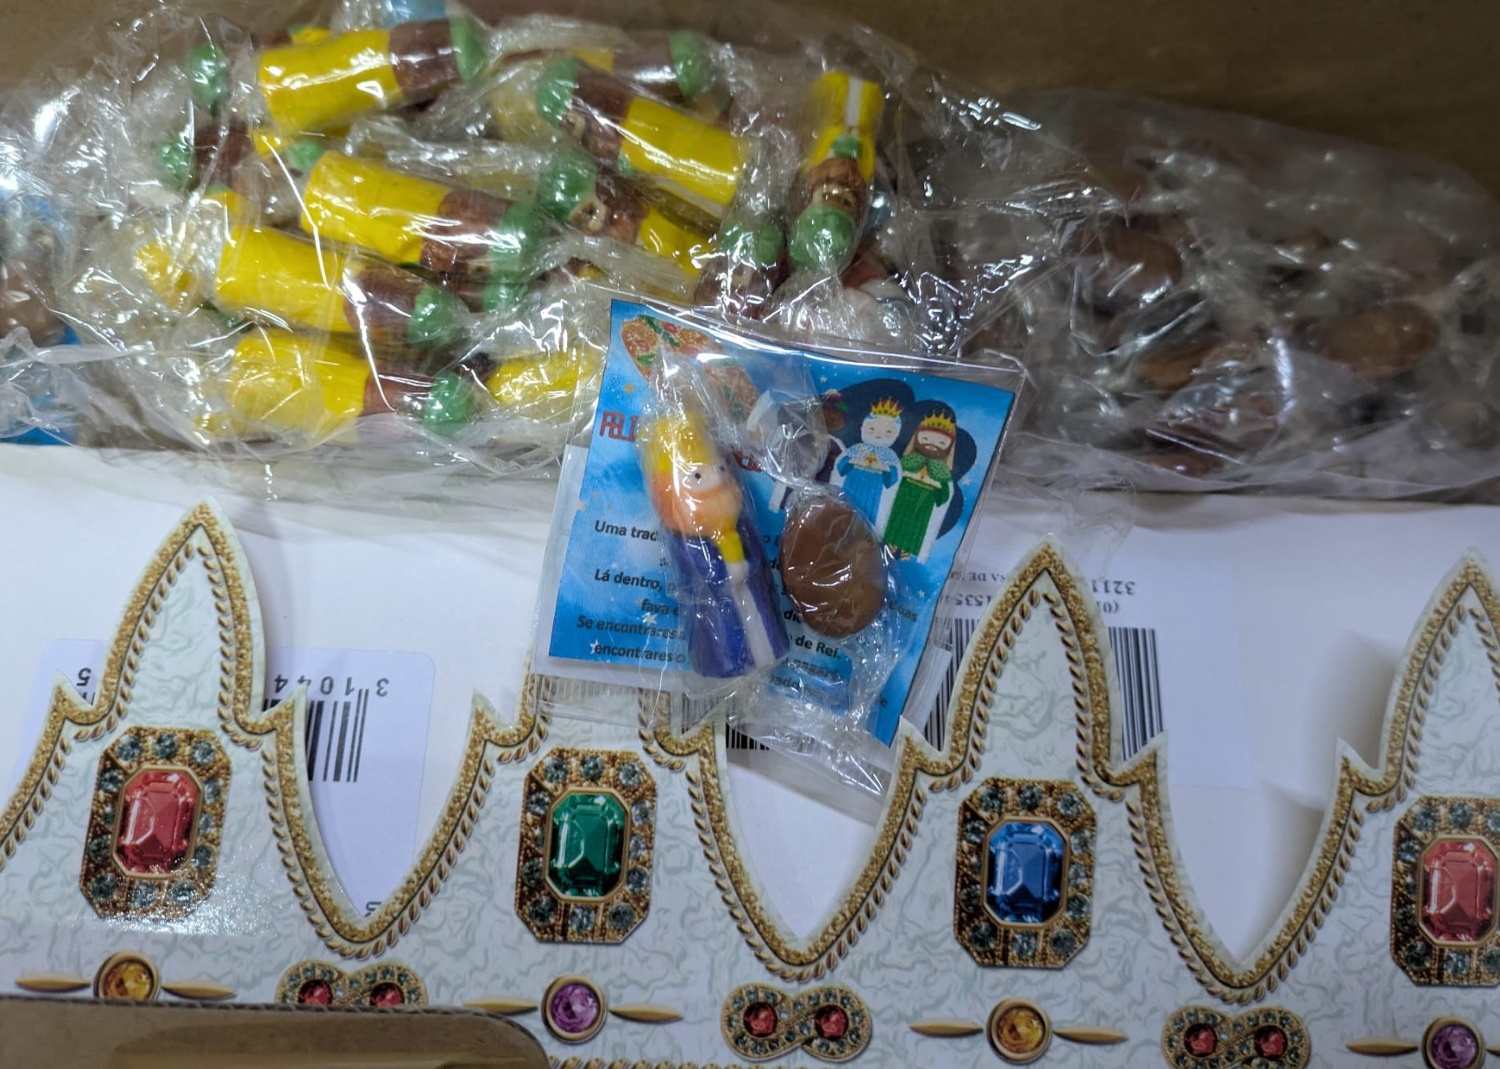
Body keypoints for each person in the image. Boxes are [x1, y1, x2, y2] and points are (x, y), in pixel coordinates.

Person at [640, 408, 788, 678]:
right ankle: (731, 664)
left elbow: (756, 557)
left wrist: (746, 563)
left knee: (763, 634)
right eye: (698, 476)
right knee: (726, 644)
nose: (717, 479)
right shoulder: (686, 540)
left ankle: (765, 654)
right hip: (719, 611)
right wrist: (729, 571)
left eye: (721, 469)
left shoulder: (738, 526)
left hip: (752, 598)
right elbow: (696, 574)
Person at [882, 412, 957, 561]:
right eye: (926, 439)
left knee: (916, 528)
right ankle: (889, 546)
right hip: (902, 498)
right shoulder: (907, 462)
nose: (931, 445)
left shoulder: (942, 472)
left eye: (941, 443)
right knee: (895, 522)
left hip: (924, 505)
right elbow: (894, 479)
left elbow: (944, 495)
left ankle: (906, 553)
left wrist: (937, 490)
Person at [832, 398, 902, 528]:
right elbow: (841, 467)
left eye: (887, 433)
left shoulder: (890, 456)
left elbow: (892, 479)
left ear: (895, 435)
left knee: (867, 517)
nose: (878, 435)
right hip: (852, 483)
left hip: (873, 489)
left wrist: (884, 468)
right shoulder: (857, 449)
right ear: (863, 428)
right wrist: (853, 461)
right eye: (872, 429)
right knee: (845, 508)